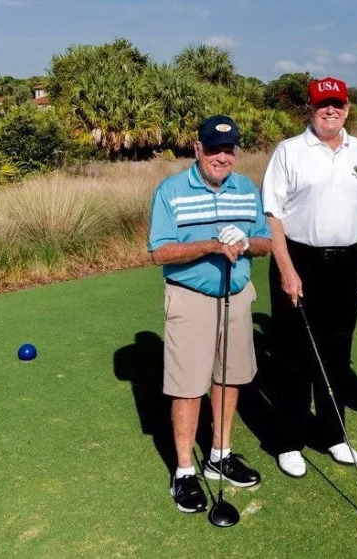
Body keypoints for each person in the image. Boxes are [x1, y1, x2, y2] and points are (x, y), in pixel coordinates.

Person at [148, 115, 271, 513]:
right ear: (197, 148)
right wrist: (211, 245)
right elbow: (159, 252)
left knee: (228, 377)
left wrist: (246, 241)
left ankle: (220, 454)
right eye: (214, 148)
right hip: (191, 298)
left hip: (236, 296)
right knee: (188, 386)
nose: (222, 156)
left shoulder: (247, 188)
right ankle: (185, 472)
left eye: (229, 148)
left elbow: (266, 242)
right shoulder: (172, 191)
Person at [261, 76, 357, 478]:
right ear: (309, 110)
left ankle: (334, 434)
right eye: (322, 105)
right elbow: (272, 214)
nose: (331, 111)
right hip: (300, 258)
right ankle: (289, 440)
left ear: (347, 107)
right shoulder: (289, 152)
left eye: (337, 104)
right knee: (294, 354)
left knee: (336, 352)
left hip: (348, 260)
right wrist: (287, 269)